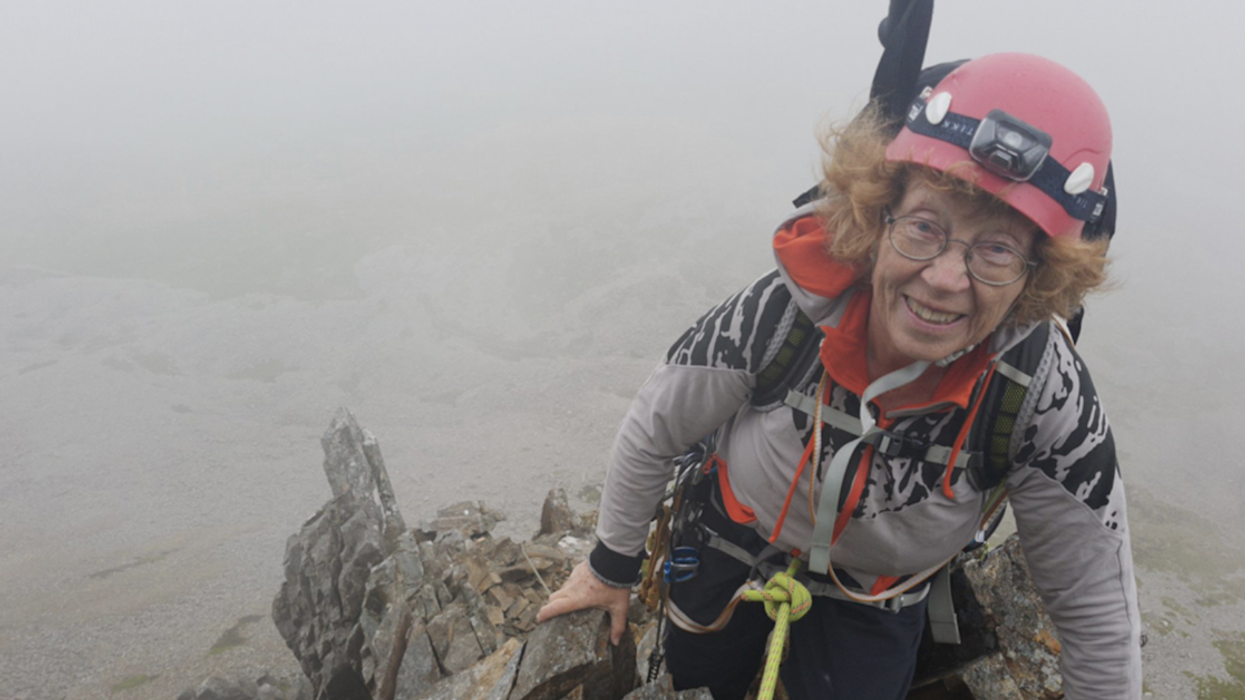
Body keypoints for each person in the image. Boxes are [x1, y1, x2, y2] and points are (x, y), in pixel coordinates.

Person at [537, 53, 1141, 700]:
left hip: (879, 595)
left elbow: (1096, 609)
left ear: (1038, 275)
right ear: (877, 217)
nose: (944, 278)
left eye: (996, 249)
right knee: (697, 682)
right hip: (731, 547)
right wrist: (609, 568)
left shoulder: (1042, 393)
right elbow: (658, 425)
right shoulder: (786, 310)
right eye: (923, 227)